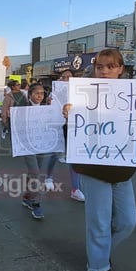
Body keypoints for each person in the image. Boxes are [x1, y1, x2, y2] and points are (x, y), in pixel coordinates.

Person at [64, 49, 136, 271]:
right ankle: (98, 265)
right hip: (94, 170)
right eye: (99, 67)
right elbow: (74, 136)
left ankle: (100, 251)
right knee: (99, 221)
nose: (104, 71)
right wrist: (69, 117)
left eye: (110, 66)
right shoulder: (83, 96)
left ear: (120, 70)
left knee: (128, 221)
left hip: (123, 171)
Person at [17, 82, 54, 219]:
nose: (40, 95)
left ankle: (27, 197)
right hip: (27, 146)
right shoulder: (22, 109)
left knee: (33, 173)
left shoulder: (46, 109)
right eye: (37, 93)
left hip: (41, 144)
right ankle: (36, 204)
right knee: (36, 174)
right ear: (30, 94)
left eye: (42, 93)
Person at [57, 69, 85, 202]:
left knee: (77, 156)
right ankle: (50, 178)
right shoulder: (56, 91)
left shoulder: (81, 90)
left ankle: (76, 187)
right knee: (61, 154)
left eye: (69, 77)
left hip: (79, 126)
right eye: (63, 77)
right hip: (62, 125)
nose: (66, 79)